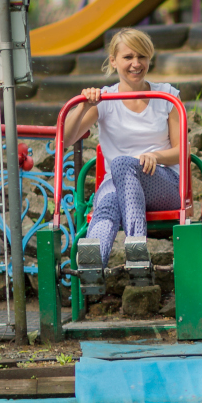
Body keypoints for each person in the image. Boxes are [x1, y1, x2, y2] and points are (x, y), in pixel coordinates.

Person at [62, 28, 182, 280]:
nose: (136, 64)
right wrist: (84, 104)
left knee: (120, 165)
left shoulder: (167, 96)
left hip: (161, 182)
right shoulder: (105, 100)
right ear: (114, 61)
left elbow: (182, 151)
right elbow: (65, 140)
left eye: (142, 57)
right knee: (107, 205)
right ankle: (92, 269)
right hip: (117, 185)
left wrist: (156, 157)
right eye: (128, 57)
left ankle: (135, 241)